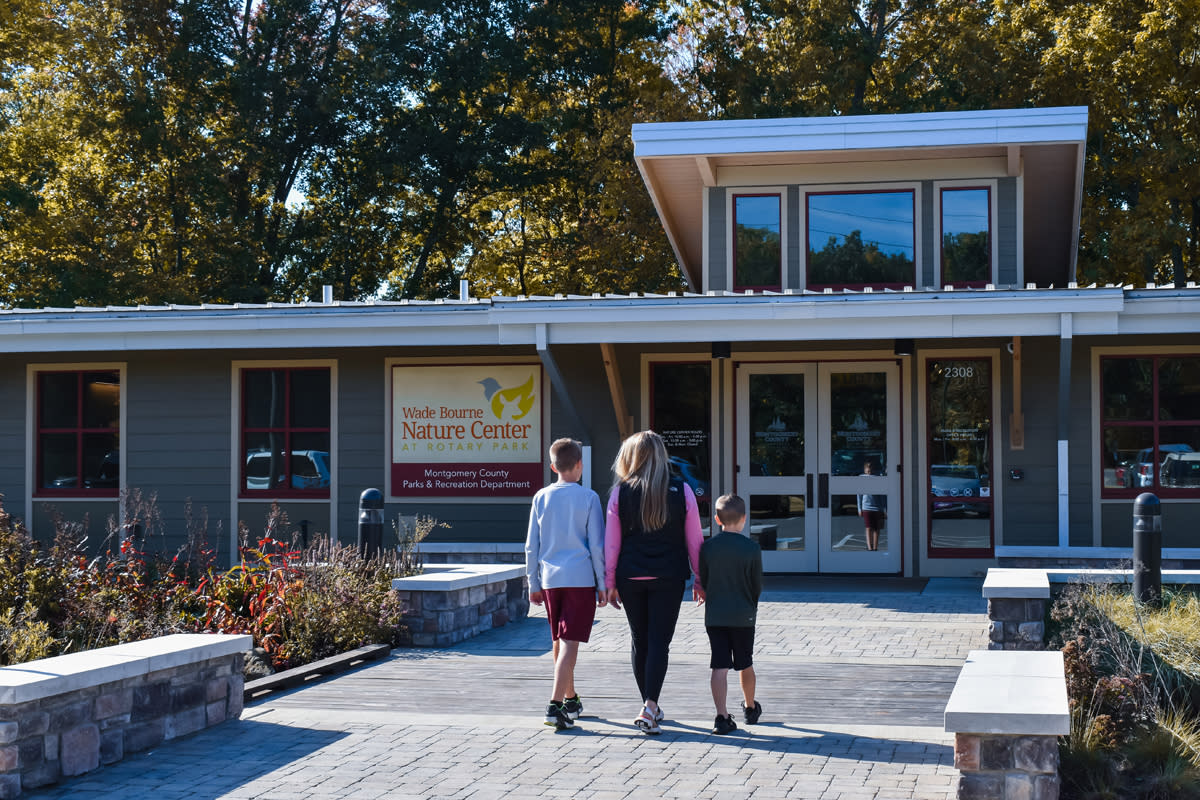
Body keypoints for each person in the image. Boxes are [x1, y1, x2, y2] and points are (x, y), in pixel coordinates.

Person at [604, 430, 705, 735]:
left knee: (639, 640)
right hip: (669, 575)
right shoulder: (681, 490)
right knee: (660, 641)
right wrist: (700, 578)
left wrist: (609, 580)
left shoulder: (620, 493)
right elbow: (695, 540)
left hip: (630, 575)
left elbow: (611, 543)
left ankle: (650, 706)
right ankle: (650, 705)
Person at [525, 437, 606, 731]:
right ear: (580, 465)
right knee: (571, 643)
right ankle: (554, 704)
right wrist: (603, 581)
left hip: (550, 579)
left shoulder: (541, 497)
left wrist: (532, 580)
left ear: (552, 466)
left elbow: (531, 545)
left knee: (559, 641)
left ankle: (570, 699)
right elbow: (597, 545)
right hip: (580, 578)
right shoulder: (589, 498)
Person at [699, 494, 763, 735]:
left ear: (717, 519)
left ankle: (721, 716)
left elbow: (704, 579)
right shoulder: (752, 548)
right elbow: (757, 584)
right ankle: (749, 707)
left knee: (719, 665)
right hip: (743, 615)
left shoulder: (708, 548)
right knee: (745, 663)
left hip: (715, 615)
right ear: (744, 519)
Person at [857, 459, 886, 551]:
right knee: (868, 527)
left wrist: (884, 509)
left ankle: (875, 547)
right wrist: (859, 508)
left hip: (877, 507)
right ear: (864, 470)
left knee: (876, 528)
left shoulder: (877, 479)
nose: (869, 471)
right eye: (867, 469)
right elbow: (859, 495)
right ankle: (869, 548)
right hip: (866, 507)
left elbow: (882, 495)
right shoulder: (861, 478)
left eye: (870, 469)